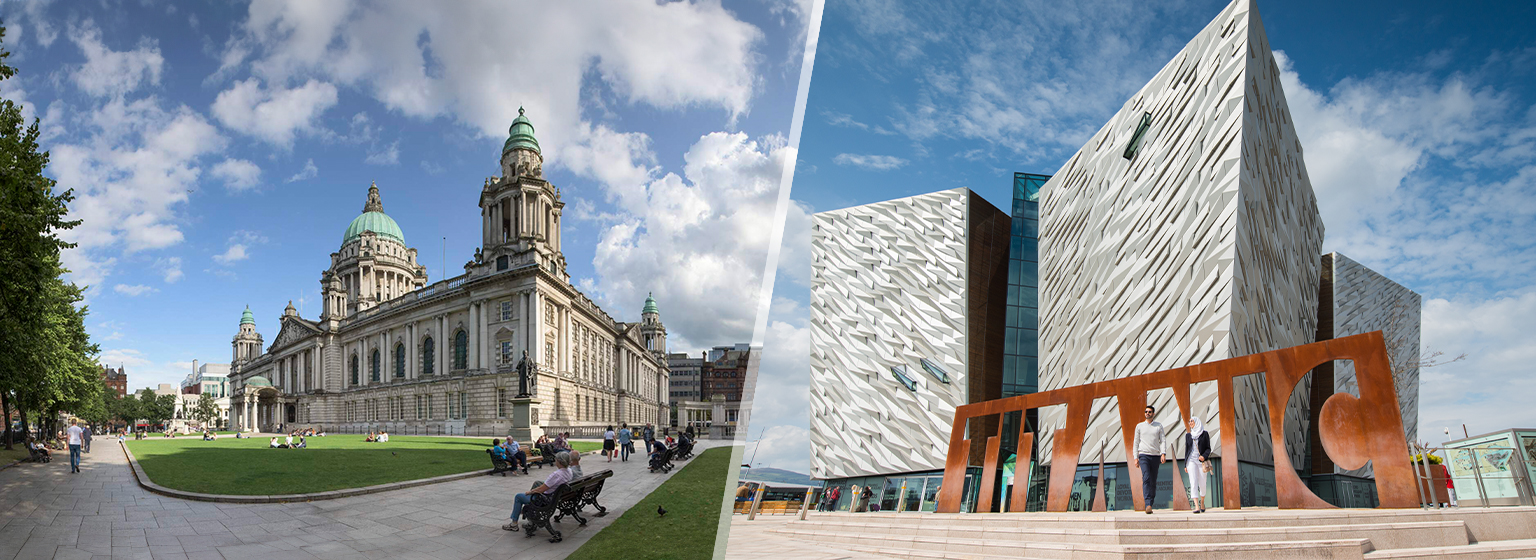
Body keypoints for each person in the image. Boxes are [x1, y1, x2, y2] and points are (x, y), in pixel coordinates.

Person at [504, 451, 575, 533]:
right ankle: (530, 515)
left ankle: (514, 524)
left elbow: (541, 489)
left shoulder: (557, 475)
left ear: (559, 461)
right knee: (537, 483)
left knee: (518, 497)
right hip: (556, 496)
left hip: (546, 499)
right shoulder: (569, 471)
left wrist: (530, 492)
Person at [1132, 405, 1167, 514]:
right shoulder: (1139, 426)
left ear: (1153, 414)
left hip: (1155, 456)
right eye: (1146, 411)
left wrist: (1163, 453)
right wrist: (1135, 457)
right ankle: (1147, 504)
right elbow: (1136, 442)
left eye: (1150, 412)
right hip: (1143, 455)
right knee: (1146, 477)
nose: (1147, 413)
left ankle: (1150, 503)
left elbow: (1163, 440)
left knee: (1153, 480)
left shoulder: (1158, 426)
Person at [1183, 416, 1211, 513]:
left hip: (1201, 462)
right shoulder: (1188, 435)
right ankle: (1196, 506)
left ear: (1197, 422)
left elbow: (1208, 448)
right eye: (1189, 421)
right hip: (1191, 461)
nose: (1190, 423)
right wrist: (1185, 464)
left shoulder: (1204, 434)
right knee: (1193, 482)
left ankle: (1202, 502)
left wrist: (1204, 456)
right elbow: (1187, 450)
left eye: (1192, 421)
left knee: (1202, 483)